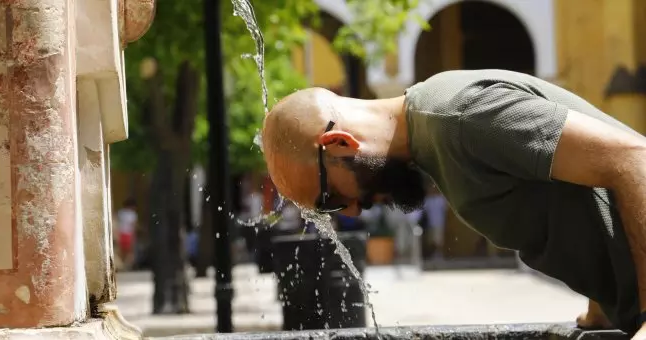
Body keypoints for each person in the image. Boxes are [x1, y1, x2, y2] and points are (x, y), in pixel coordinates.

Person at [259, 69, 646, 338]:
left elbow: (632, 159)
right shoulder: (436, 141)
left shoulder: (459, 117)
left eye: (331, 199)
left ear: (340, 143)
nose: (352, 211)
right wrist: (602, 308)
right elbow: (577, 192)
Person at [116, 198, 138, 270]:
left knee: (122, 250)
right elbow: (133, 225)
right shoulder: (133, 214)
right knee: (129, 251)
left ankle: (122, 264)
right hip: (128, 234)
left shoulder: (120, 213)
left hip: (120, 233)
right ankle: (127, 265)